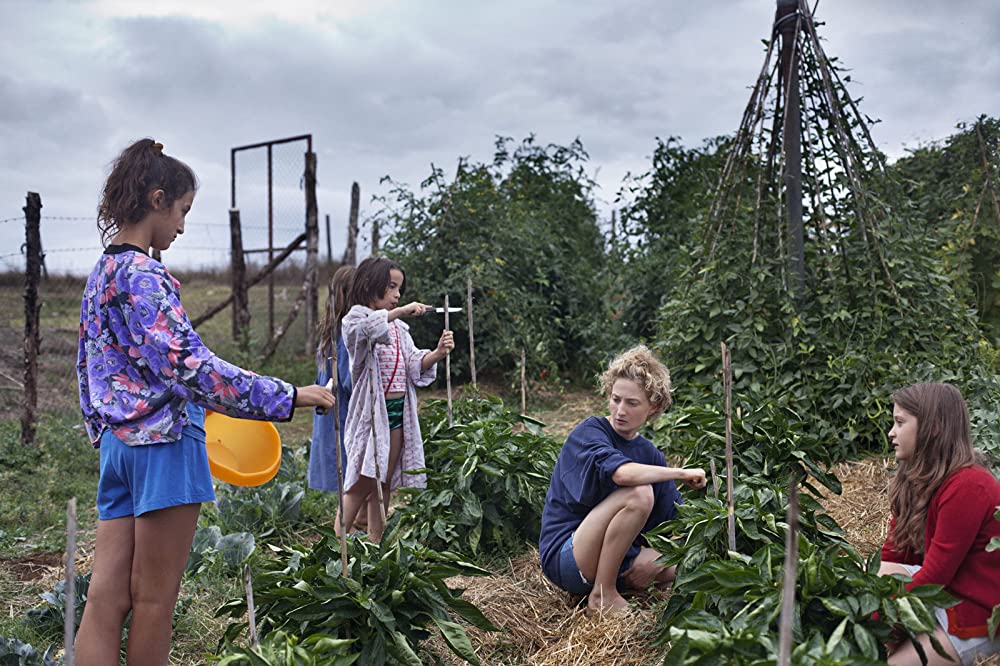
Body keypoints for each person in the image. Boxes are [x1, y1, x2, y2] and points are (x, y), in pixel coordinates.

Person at [74, 138, 334, 666]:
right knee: (153, 600)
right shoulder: (144, 276)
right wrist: (290, 395)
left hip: (117, 449)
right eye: (183, 211)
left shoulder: (102, 274)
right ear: (156, 199)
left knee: (105, 596)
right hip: (165, 446)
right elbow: (194, 368)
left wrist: (105, 430)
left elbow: (88, 367)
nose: (183, 227)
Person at [539, 344, 707, 615]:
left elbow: (675, 523)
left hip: (617, 556)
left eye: (632, 403)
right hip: (569, 555)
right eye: (616, 399)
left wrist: (657, 562)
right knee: (639, 494)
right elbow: (621, 474)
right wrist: (681, 473)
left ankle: (622, 583)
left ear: (653, 407)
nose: (620, 410)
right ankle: (603, 595)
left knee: (681, 566)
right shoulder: (591, 432)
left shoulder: (649, 454)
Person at [877, 383, 1000, 666]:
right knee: (877, 573)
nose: (891, 433)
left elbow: (935, 577)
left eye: (899, 423)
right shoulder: (916, 477)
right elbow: (892, 555)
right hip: (949, 592)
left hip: (976, 609)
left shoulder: (969, 485)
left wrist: (882, 616)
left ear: (932, 428)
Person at [339, 256, 454, 542]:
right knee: (361, 482)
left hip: (397, 414)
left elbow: (413, 364)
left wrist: (437, 353)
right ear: (370, 286)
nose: (397, 295)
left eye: (399, 289)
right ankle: (336, 542)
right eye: (391, 287)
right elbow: (362, 332)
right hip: (371, 416)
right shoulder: (355, 319)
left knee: (384, 481)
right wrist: (400, 311)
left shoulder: (400, 329)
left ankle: (375, 543)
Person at [309, 265, 365, 533]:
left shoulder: (330, 331)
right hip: (345, 416)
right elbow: (349, 381)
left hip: (332, 413)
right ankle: (347, 534)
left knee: (350, 479)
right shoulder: (347, 335)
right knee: (353, 479)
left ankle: (354, 531)